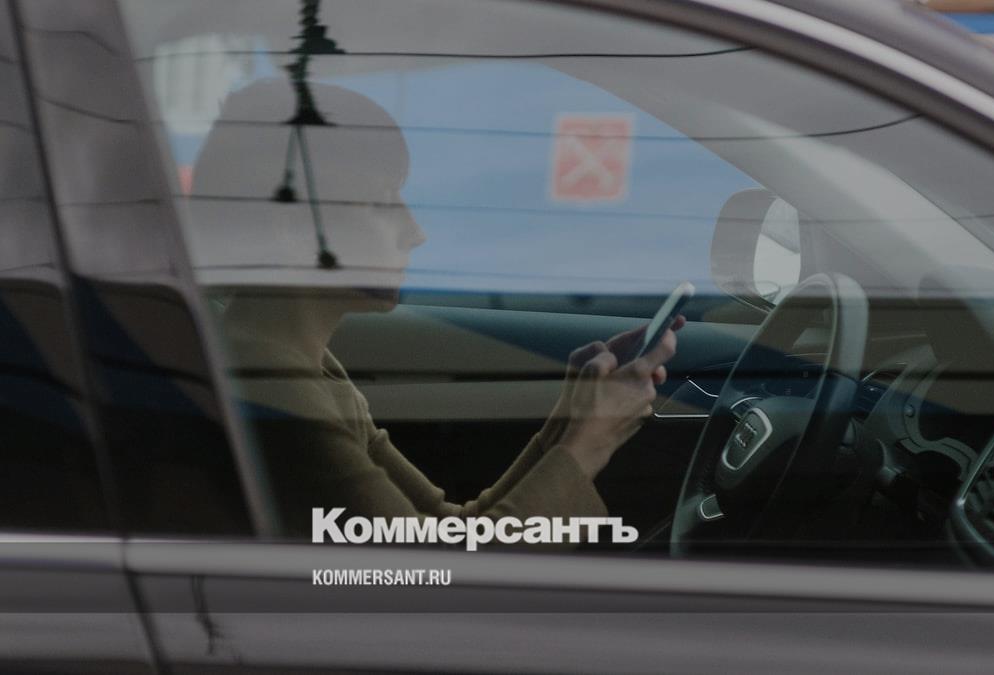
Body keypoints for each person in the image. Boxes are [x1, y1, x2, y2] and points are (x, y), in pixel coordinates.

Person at [186, 79, 682, 536]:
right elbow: (438, 578)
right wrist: (591, 441)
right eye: (382, 202)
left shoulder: (302, 364)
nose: (415, 232)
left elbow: (448, 530)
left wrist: (571, 421)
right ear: (293, 228)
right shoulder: (273, 389)